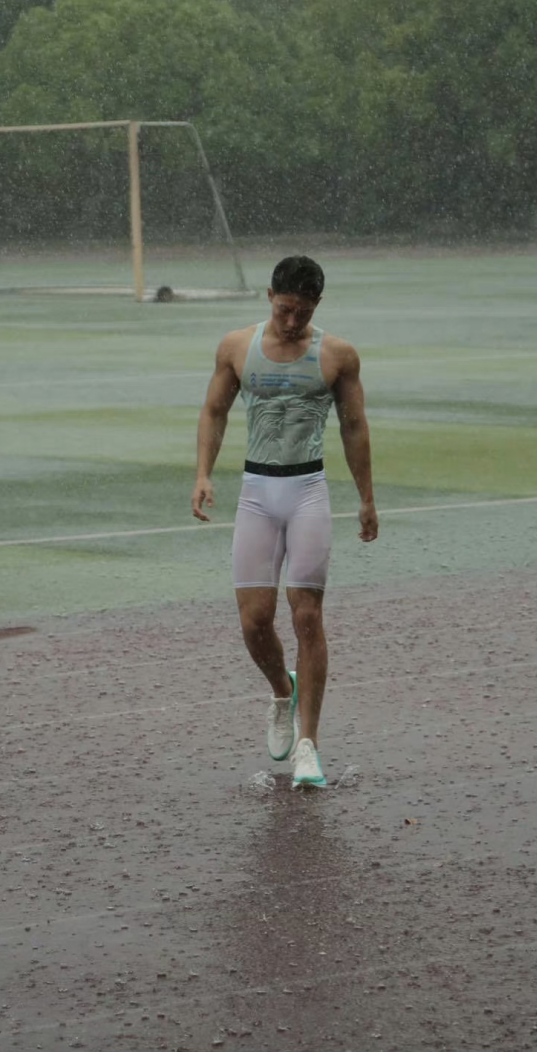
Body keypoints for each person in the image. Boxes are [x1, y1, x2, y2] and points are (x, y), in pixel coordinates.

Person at [192, 255, 378, 789]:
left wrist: (366, 498)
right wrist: (203, 473)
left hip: (308, 492)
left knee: (306, 618)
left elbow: (354, 426)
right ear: (269, 296)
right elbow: (214, 411)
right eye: (284, 309)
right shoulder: (236, 347)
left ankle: (308, 746)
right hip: (256, 493)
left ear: (316, 306)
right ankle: (281, 690)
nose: (292, 322)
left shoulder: (337, 356)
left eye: (302, 312)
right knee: (253, 622)